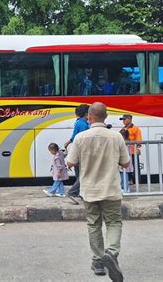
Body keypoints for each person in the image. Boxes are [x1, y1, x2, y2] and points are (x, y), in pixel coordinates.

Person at [67, 102, 130, 281]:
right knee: (114, 223)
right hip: (111, 189)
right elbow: (126, 163)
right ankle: (111, 253)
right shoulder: (116, 137)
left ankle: (98, 263)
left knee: (94, 225)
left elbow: (70, 162)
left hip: (89, 190)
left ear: (90, 116)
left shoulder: (80, 138)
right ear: (106, 116)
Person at [63, 104, 90, 203]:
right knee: (84, 175)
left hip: (77, 152)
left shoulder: (78, 122)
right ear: (86, 114)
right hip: (82, 153)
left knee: (79, 175)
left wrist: (69, 141)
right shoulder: (83, 124)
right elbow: (83, 138)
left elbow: (75, 136)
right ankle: (72, 192)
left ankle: (80, 193)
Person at [119, 114, 142, 185]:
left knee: (134, 168)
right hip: (125, 151)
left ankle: (135, 182)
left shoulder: (136, 129)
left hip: (132, 151)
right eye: (123, 119)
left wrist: (137, 148)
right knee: (126, 167)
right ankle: (128, 181)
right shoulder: (123, 129)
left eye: (124, 119)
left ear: (129, 119)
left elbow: (139, 141)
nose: (123, 121)